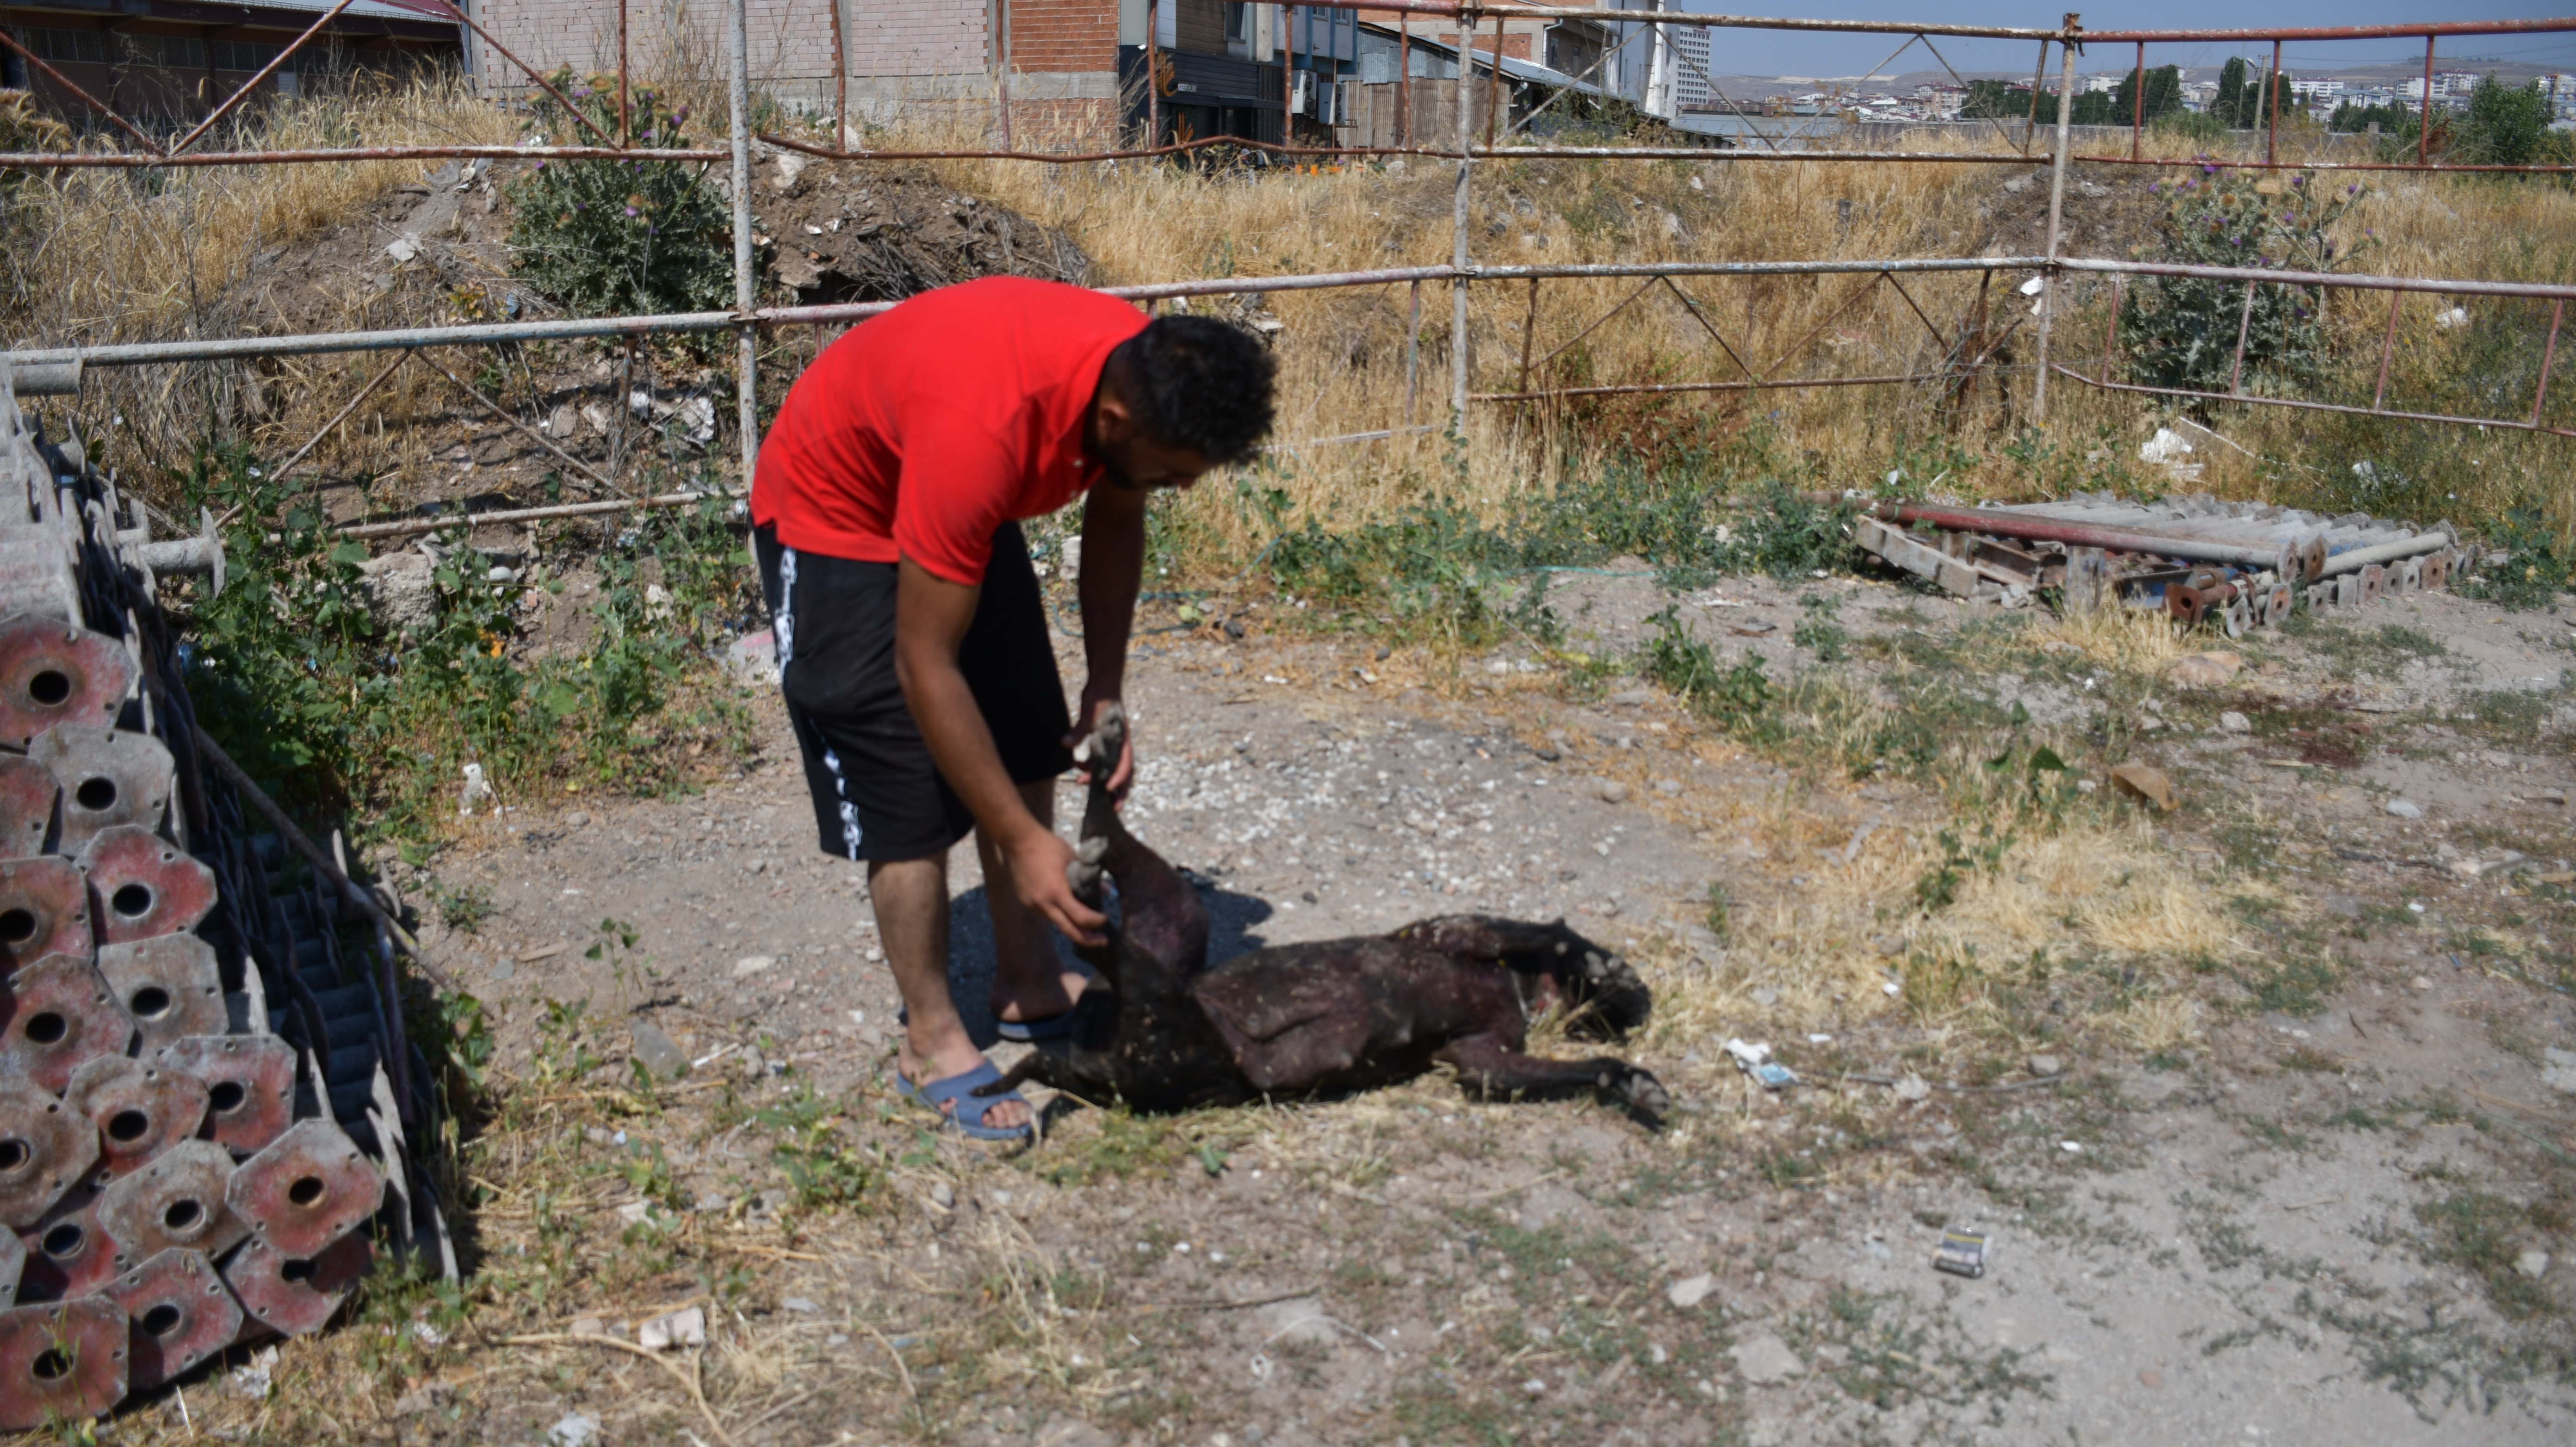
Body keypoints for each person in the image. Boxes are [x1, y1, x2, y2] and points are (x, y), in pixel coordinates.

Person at [749, 276, 1276, 1140]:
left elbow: (1117, 514)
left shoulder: (1143, 374)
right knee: (904, 794)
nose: (1180, 488)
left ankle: (1027, 980)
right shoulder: (985, 432)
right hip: (837, 511)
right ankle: (930, 1037)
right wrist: (1031, 844)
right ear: (1115, 422)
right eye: (1176, 472)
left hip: (946, 489)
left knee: (1030, 732)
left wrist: (1105, 684)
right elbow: (925, 666)